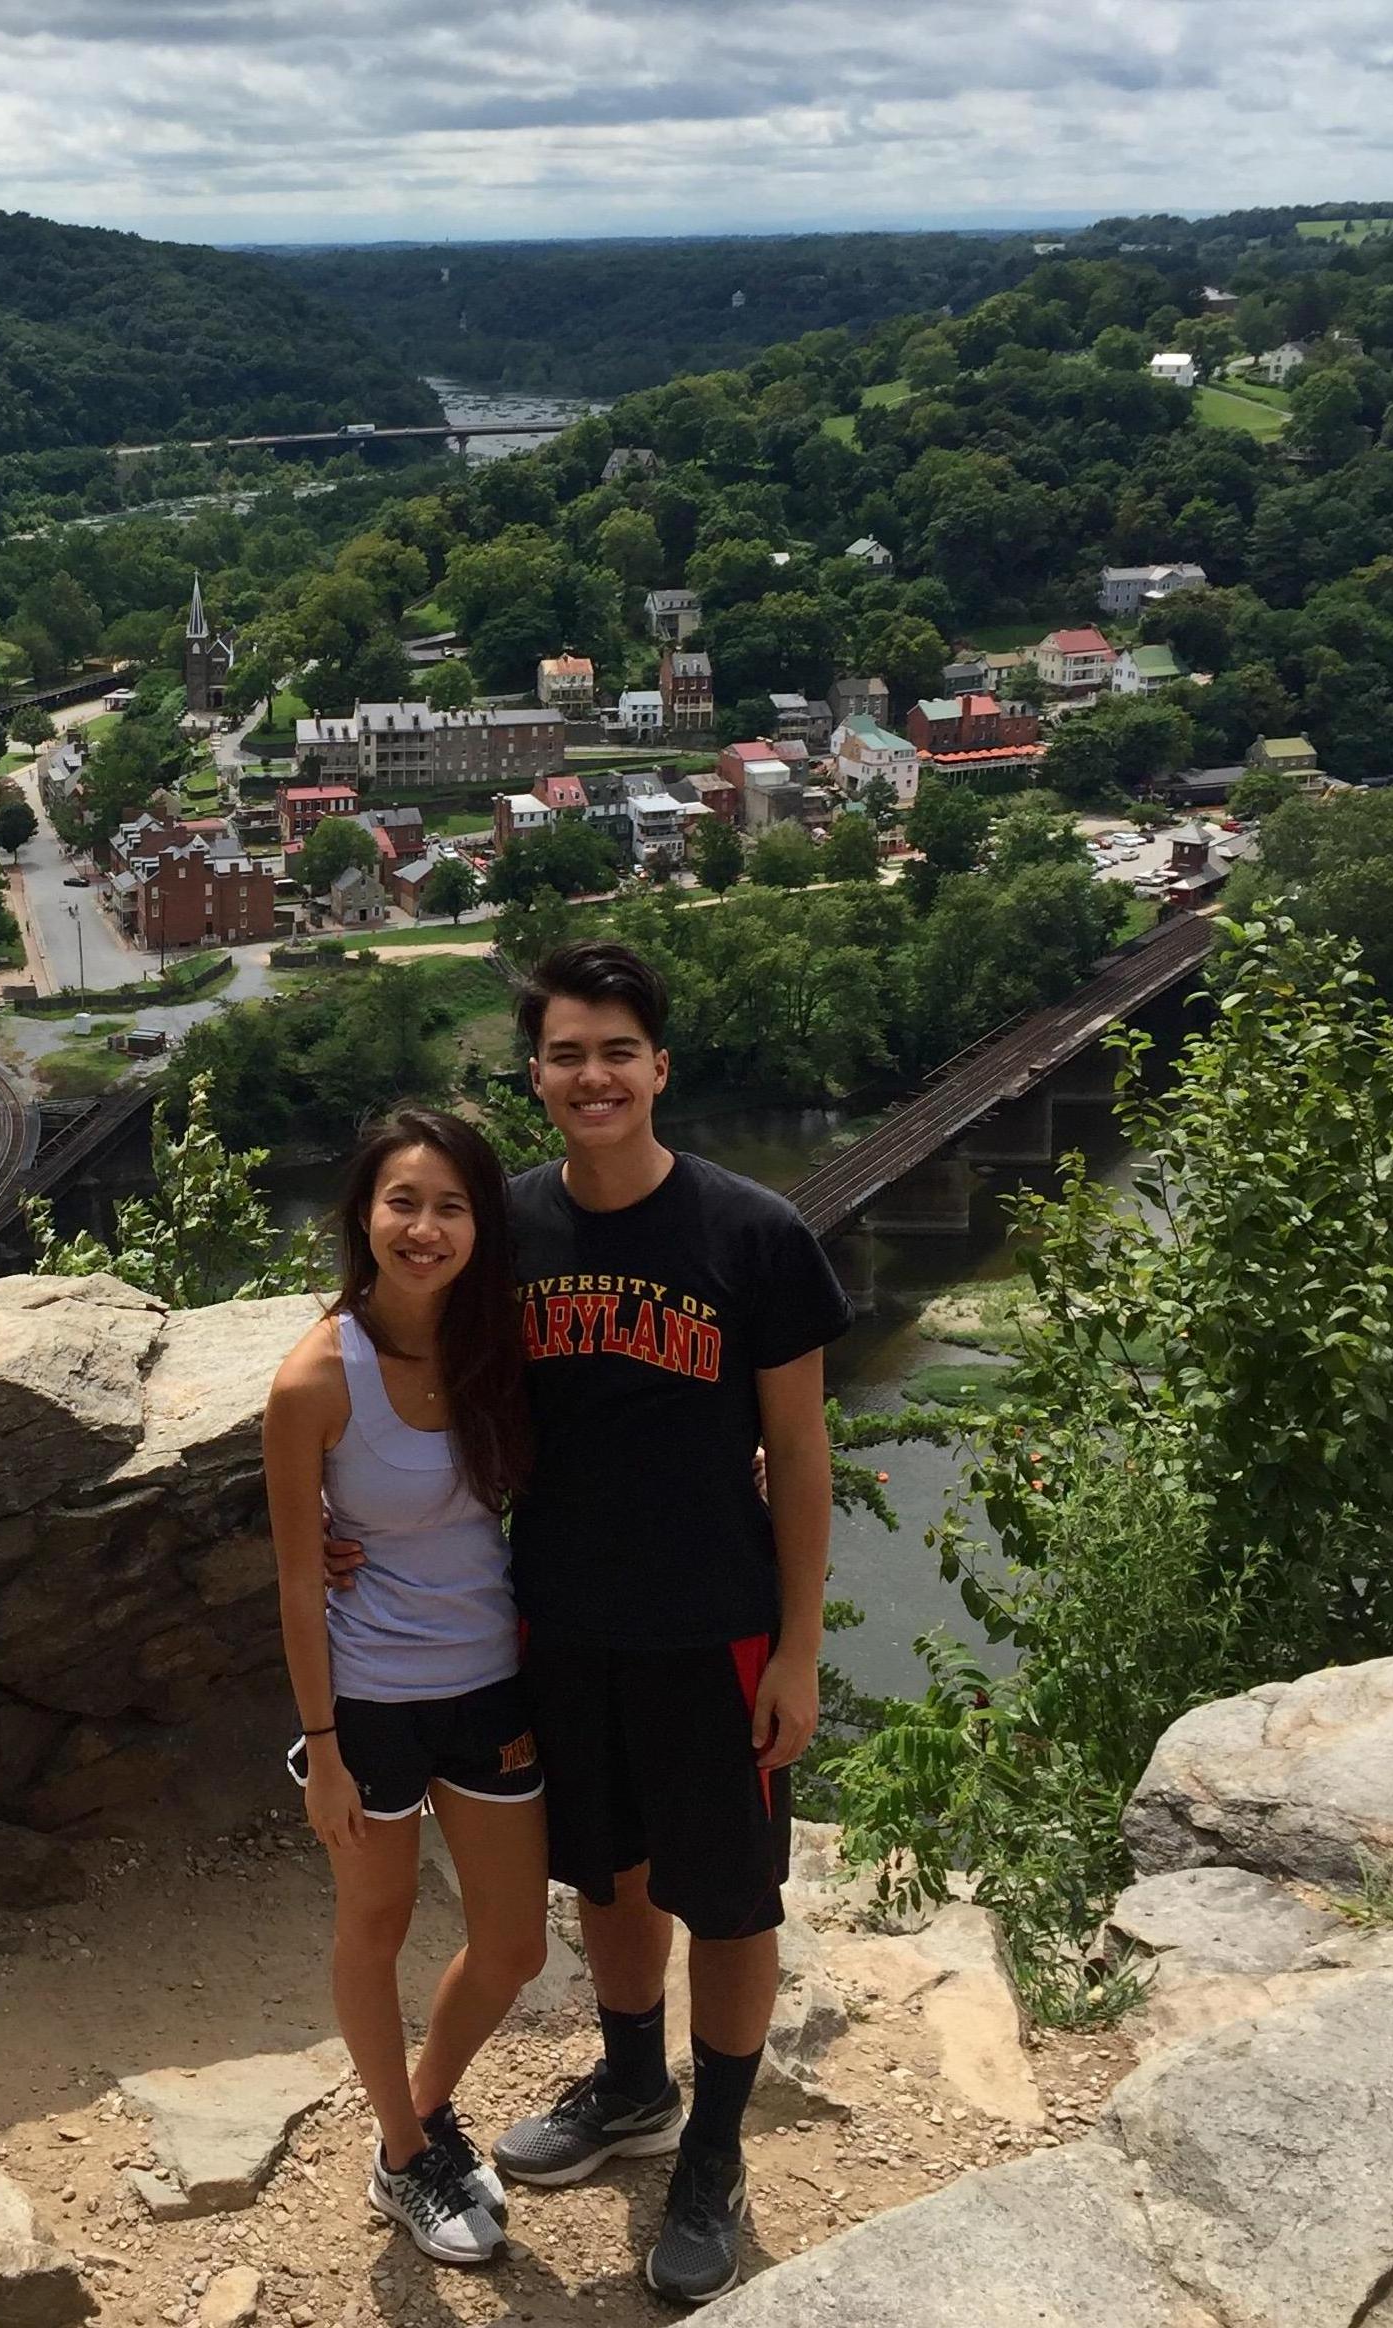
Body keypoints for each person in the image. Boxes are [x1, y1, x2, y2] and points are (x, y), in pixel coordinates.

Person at [328, 943, 851, 2303]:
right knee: (606, 1876)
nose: (594, 1074)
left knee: (729, 1903)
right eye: (567, 1053)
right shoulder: (504, 1232)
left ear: (660, 1068)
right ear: (539, 1076)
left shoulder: (755, 1239)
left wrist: (799, 1646)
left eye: (618, 1050)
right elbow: (395, 1360)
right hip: (555, 1624)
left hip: (716, 1627)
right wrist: (342, 1508)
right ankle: (632, 2083)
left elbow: (798, 1454)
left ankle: (716, 2152)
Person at [265, 1107, 544, 2268]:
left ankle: (416, 2117)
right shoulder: (314, 1380)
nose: (423, 1228)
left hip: (492, 1682)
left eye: (450, 1207)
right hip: (371, 1699)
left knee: (517, 1944)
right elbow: (292, 1581)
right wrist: (321, 1746)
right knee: (372, 1925)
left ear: (481, 1224)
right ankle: (401, 2150)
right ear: (363, 1216)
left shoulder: (503, 1345)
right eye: (402, 1203)